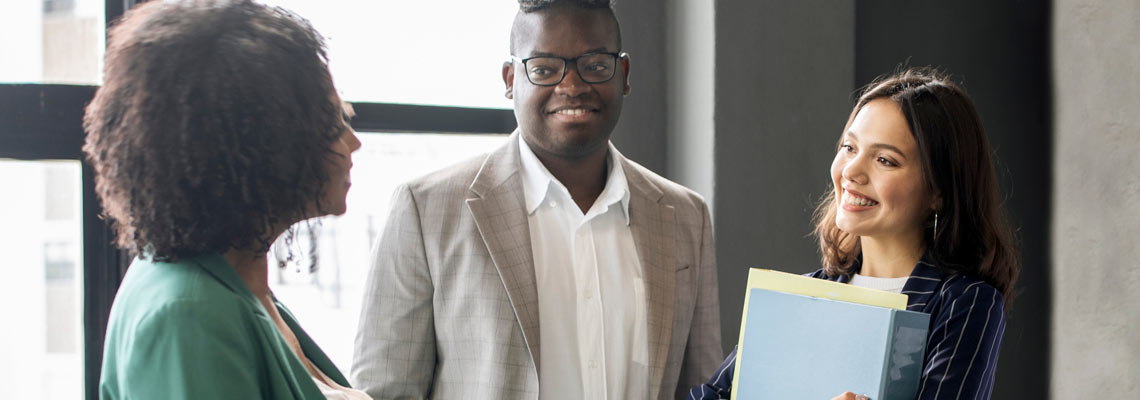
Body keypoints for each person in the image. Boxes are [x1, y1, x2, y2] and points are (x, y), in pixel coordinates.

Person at [350, 0, 722, 398]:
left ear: (624, 74)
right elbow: (383, 393)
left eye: (595, 65)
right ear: (511, 78)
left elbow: (704, 390)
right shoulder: (425, 211)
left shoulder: (684, 215)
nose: (573, 86)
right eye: (544, 69)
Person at [85, 1, 368, 399]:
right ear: (263, 146)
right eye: (332, 125)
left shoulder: (235, 282)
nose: (353, 144)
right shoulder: (188, 314)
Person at [688, 68, 1020, 400]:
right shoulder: (798, 297)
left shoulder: (966, 303)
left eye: (885, 160)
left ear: (939, 191)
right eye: (849, 147)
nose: (851, 171)